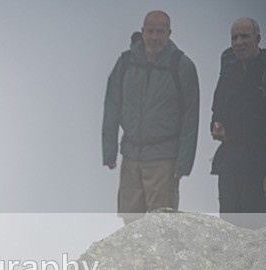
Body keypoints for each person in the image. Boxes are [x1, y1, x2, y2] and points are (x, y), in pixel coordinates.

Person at [102, 10, 199, 224]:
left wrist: (183, 163)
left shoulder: (182, 66)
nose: (155, 37)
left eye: (160, 32)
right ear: (143, 31)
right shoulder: (126, 62)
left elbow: (191, 117)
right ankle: (130, 260)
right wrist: (109, 151)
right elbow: (112, 105)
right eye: (151, 31)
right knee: (130, 222)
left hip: (164, 158)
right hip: (131, 155)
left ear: (169, 33)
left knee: (161, 224)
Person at [210, 17, 266, 229]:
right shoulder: (228, 67)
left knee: (255, 229)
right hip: (230, 160)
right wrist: (216, 125)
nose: (239, 42)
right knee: (228, 226)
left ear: (257, 38)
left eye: (244, 36)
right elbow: (217, 107)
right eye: (234, 37)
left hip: (259, 162)